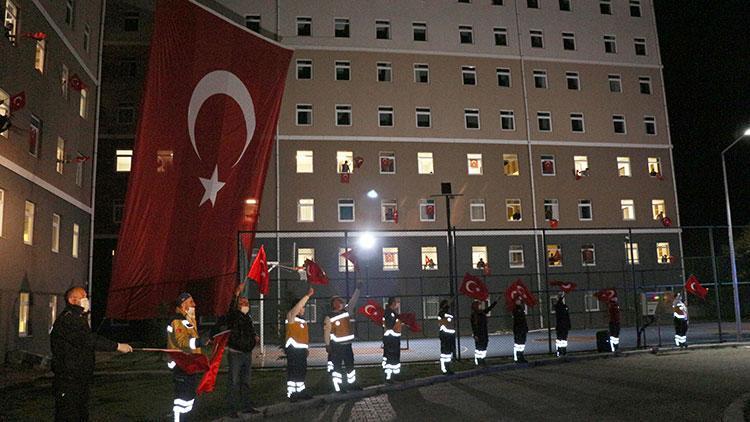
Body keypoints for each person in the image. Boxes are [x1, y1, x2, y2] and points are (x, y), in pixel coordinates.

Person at [50, 286, 132, 422]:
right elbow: (88, 340)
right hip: (69, 380)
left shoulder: (78, 318)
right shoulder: (68, 320)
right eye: (82, 296)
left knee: (81, 413)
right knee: (68, 415)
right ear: (72, 300)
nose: (86, 299)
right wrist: (116, 346)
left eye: (86, 296)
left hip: (79, 378)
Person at [167, 292, 207, 421]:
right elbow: (182, 342)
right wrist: (199, 342)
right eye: (191, 302)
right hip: (181, 364)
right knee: (182, 399)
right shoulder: (178, 320)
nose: (194, 304)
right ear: (184, 304)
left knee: (188, 397)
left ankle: (185, 418)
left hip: (188, 363)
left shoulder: (186, 319)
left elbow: (191, 336)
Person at [224, 282, 260, 416]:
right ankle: (231, 409)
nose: (245, 305)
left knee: (246, 382)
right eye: (242, 303)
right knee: (233, 382)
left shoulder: (248, 318)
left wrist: (255, 336)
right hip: (236, 353)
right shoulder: (234, 316)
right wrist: (236, 294)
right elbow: (231, 309)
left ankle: (246, 406)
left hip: (247, 353)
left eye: (246, 303)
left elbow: (249, 330)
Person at [323, 282, 362, 392]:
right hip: (336, 347)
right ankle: (338, 387)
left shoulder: (346, 311)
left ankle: (352, 384)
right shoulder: (329, 317)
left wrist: (358, 289)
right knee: (337, 367)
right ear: (333, 304)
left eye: (340, 300)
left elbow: (353, 301)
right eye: (337, 301)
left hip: (347, 345)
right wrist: (327, 345)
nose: (340, 302)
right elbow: (327, 332)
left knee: (350, 366)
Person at [285, 287, 314, 402]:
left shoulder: (302, 321)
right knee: (294, 371)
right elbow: (295, 309)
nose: (303, 309)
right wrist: (307, 295)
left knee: (302, 370)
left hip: (301, 351)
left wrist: (306, 348)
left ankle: (300, 391)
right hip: (293, 350)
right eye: (302, 307)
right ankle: (292, 393)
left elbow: (304, 337)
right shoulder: (291, 316)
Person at [470, 298, 498, 366]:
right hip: (478, 333)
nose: (480, 306)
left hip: (484, 332)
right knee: (479, 347)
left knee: (484, 345)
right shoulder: (474, 315)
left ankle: (482, 359)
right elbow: (473, 326)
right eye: (479, 305)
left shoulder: (482, 313)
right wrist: (475, 334)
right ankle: (478, 360)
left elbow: (489, 308)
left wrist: (495, 302)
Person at [382, 297, 402, 382]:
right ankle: (389, 377)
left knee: (393, 357)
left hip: (392, 338)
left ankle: (395, 375)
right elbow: (390, 325)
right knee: (391, 357)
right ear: (393, 303)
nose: (398, 304)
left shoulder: (391, 312)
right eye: (397, 302)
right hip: (392, 339)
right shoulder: (390, 313)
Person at [438, 299, 456, 374]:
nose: (447, 306)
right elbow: (443, 316)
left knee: (449, 353)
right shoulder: (441, 313)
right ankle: (444, 369)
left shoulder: (448, 313)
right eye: (446, 305)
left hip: (450, 335)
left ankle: (448, 367)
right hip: (445, 335)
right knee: (445, 353)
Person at [554, 292, 571, 357]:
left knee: (564, 339)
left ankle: (564, 351)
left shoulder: (564, 307)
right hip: (560, 325)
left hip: (565, 325)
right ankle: (559, 351)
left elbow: (567, 316)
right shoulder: (558, 306)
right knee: (559, 339)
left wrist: (569, 324)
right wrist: (560, 298)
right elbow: (558, 306)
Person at [512, 297, 528, 363]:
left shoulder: (521, 309)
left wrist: (526, 327)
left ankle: (521, 356)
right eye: (517, 300)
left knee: (522, 343)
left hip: (522, 328)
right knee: (518, 343)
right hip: (518, 329)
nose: (519, 301)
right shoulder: (515, 309)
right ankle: (517, 357)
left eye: (519, 300)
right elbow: (518, 319)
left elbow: (524, 319)